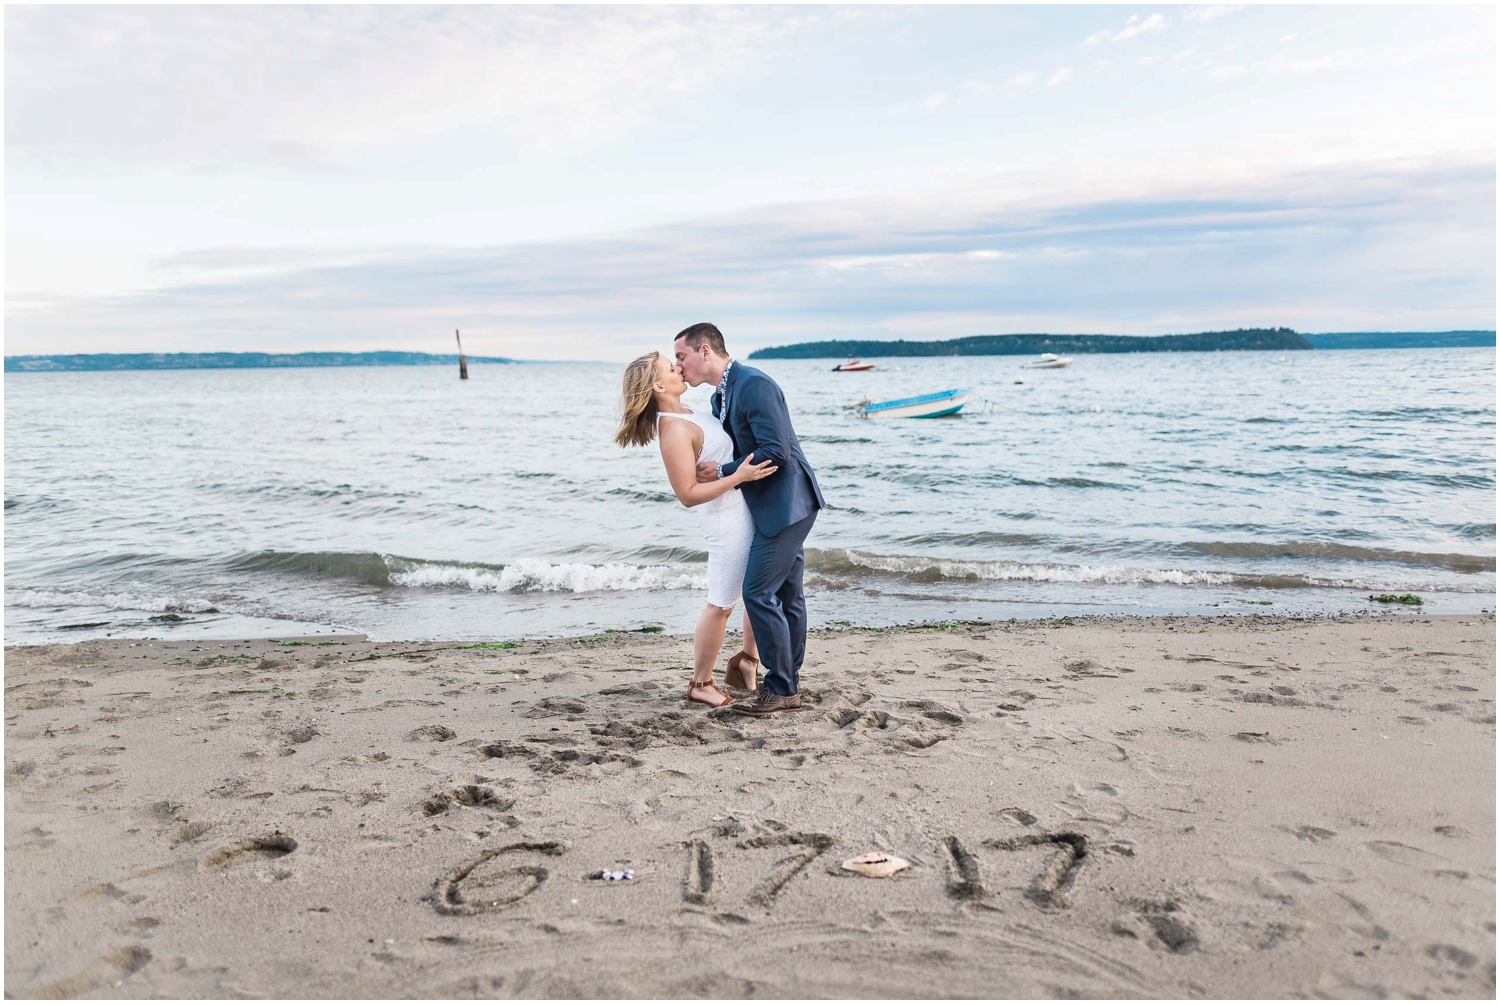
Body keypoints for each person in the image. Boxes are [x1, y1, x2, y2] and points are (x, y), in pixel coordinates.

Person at [675, 322, 825, 716]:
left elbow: (777, 451)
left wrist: (724, 472)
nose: (679, 365)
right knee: (788, 596)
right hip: (767, 507)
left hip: (788, 503)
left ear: (705, 350)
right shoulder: (716, 400)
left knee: (758, 593)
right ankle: (786, 682)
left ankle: (781, 687)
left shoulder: (754, 383)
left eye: (682, 356)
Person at [615, 351, 778, 707]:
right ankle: (700, 682)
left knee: (756, 591)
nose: (679, 368)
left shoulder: (691, 413)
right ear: (659, 385)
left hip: (745, 510)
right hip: (726, 521)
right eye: (671, 368)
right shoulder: (672, 429)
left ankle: (747, 661)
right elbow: (687, 494)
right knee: (721, 602)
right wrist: (737, 476)